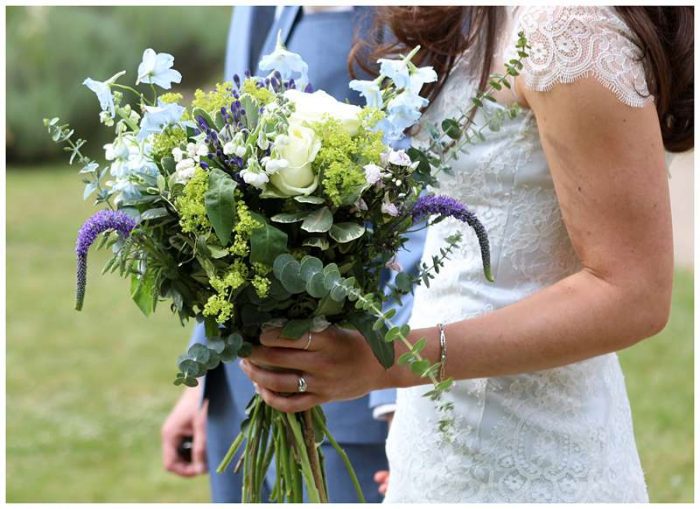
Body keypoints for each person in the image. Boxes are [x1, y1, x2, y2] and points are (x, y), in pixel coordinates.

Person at [238, 6, 694, 503]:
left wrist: (390, 360)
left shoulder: (569, 31)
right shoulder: (482, 16)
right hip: (444, 434)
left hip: (537, 456)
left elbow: (633, 294)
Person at [160, 5, 426, 503]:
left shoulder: (410, 15)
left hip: (347, 402)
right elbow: (232, 194)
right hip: (235, 395)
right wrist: (203, 378)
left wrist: (398, 403)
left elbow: (420, 200)